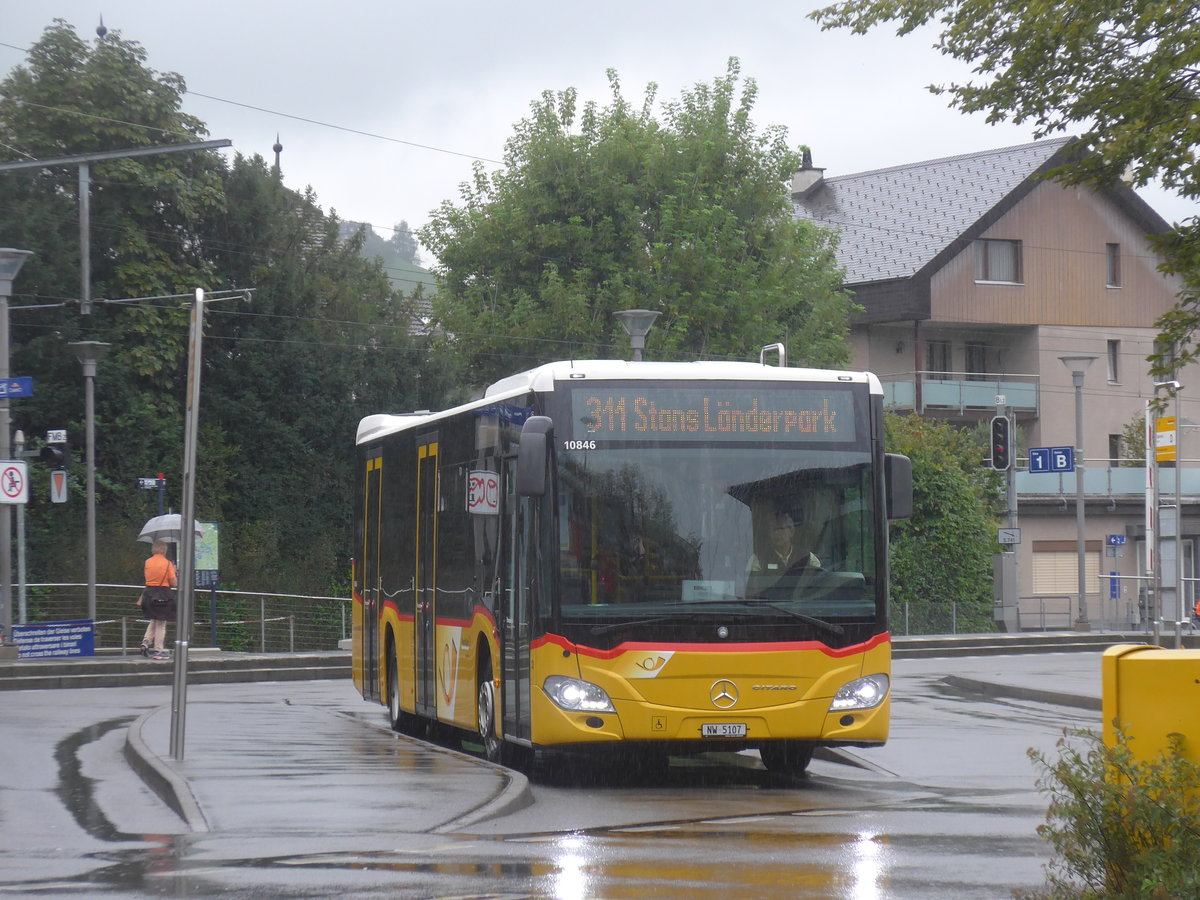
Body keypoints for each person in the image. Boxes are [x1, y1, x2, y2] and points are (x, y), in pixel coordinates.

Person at [745, 509, 821, 597]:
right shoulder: (757, 559)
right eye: (773, 529)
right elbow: (751, 593)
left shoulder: (808, 558)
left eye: (780, 528)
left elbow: (817, 589)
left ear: (791, 531)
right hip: (767, 608)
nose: (776, 533)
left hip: (799, 608)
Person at [139, 539, 177, 660]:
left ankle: (146, 641)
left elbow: (148, 579)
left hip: (149, 594)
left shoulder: (147, 562)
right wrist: (174, 572)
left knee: (154, 620)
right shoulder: (167, 564)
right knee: (161, 623)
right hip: (163, 595)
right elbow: (174, 583)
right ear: (164, 550)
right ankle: (158, 650)